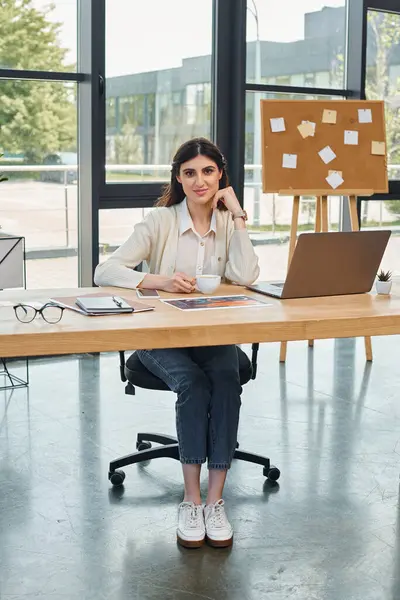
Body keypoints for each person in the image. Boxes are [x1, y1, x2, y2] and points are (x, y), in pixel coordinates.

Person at [94, 137, 259, 548]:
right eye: (189, 173)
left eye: (207, 171)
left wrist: (237, 216)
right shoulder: (160, 221)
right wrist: (158, 280)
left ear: (220, 174)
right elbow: (105, 270)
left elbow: (246, 274)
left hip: (210, 333)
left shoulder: (225, 223)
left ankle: (215, 502)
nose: (199, 180)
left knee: (225, 380)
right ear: (179, 178)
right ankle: (191, 499)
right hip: (159, 337)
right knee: (194, 384)